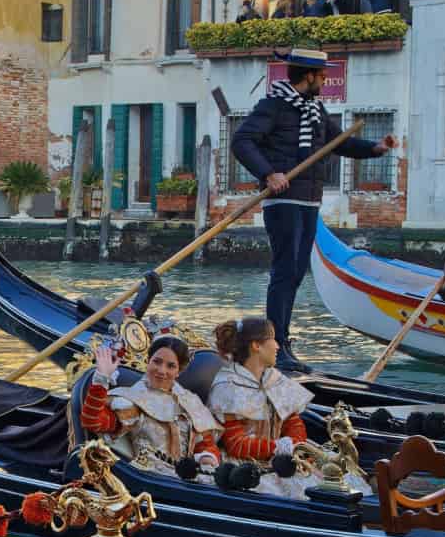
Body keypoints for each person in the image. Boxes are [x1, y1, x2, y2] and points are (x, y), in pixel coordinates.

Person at [232, 47, 397, 374]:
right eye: (322, 74)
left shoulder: (314, 110)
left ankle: (282, 344)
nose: (325, 78)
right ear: (309, 76)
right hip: (284, 200)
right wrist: (268, 173)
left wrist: (376, 149)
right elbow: (242, 141)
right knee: (284, 273)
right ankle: (274, 345)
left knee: (294, 274)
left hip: (309, 200)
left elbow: (340, 143)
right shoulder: (274, 106)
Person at [79, 335, 219, 477]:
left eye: (170, 366)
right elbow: (92, 421)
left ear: (179, 372)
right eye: (157, 362)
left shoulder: (190, 403)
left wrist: (206, 457)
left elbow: (206, 444)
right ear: (148, 361)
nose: (161, 371)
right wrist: (101, 379)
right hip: (147, 478)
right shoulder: (131, 401)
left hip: (187, 479)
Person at [207, 316, 314, 499]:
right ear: (256, 346)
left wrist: (294, 446)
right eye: (272, 339)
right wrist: (276, 447)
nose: (277, 346)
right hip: (248, 465)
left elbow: (293, 422)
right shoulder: (227, 386)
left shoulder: (274, 379)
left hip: (285, 458)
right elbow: (235, 443)